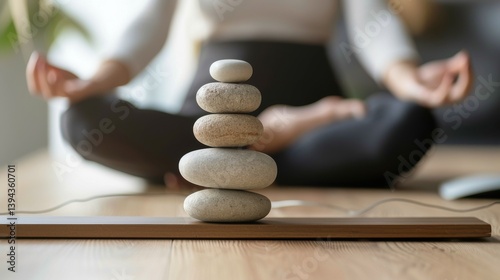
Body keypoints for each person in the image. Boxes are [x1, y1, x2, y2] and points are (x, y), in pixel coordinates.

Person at [26, 0, 472, 187]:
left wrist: (411, 80)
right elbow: (148, 26)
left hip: (308, 113)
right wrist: (92, 83)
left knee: (411, 120)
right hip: (209, 119)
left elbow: (373, 24)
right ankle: (265, 150)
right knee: (81, 121)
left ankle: (223, 165)